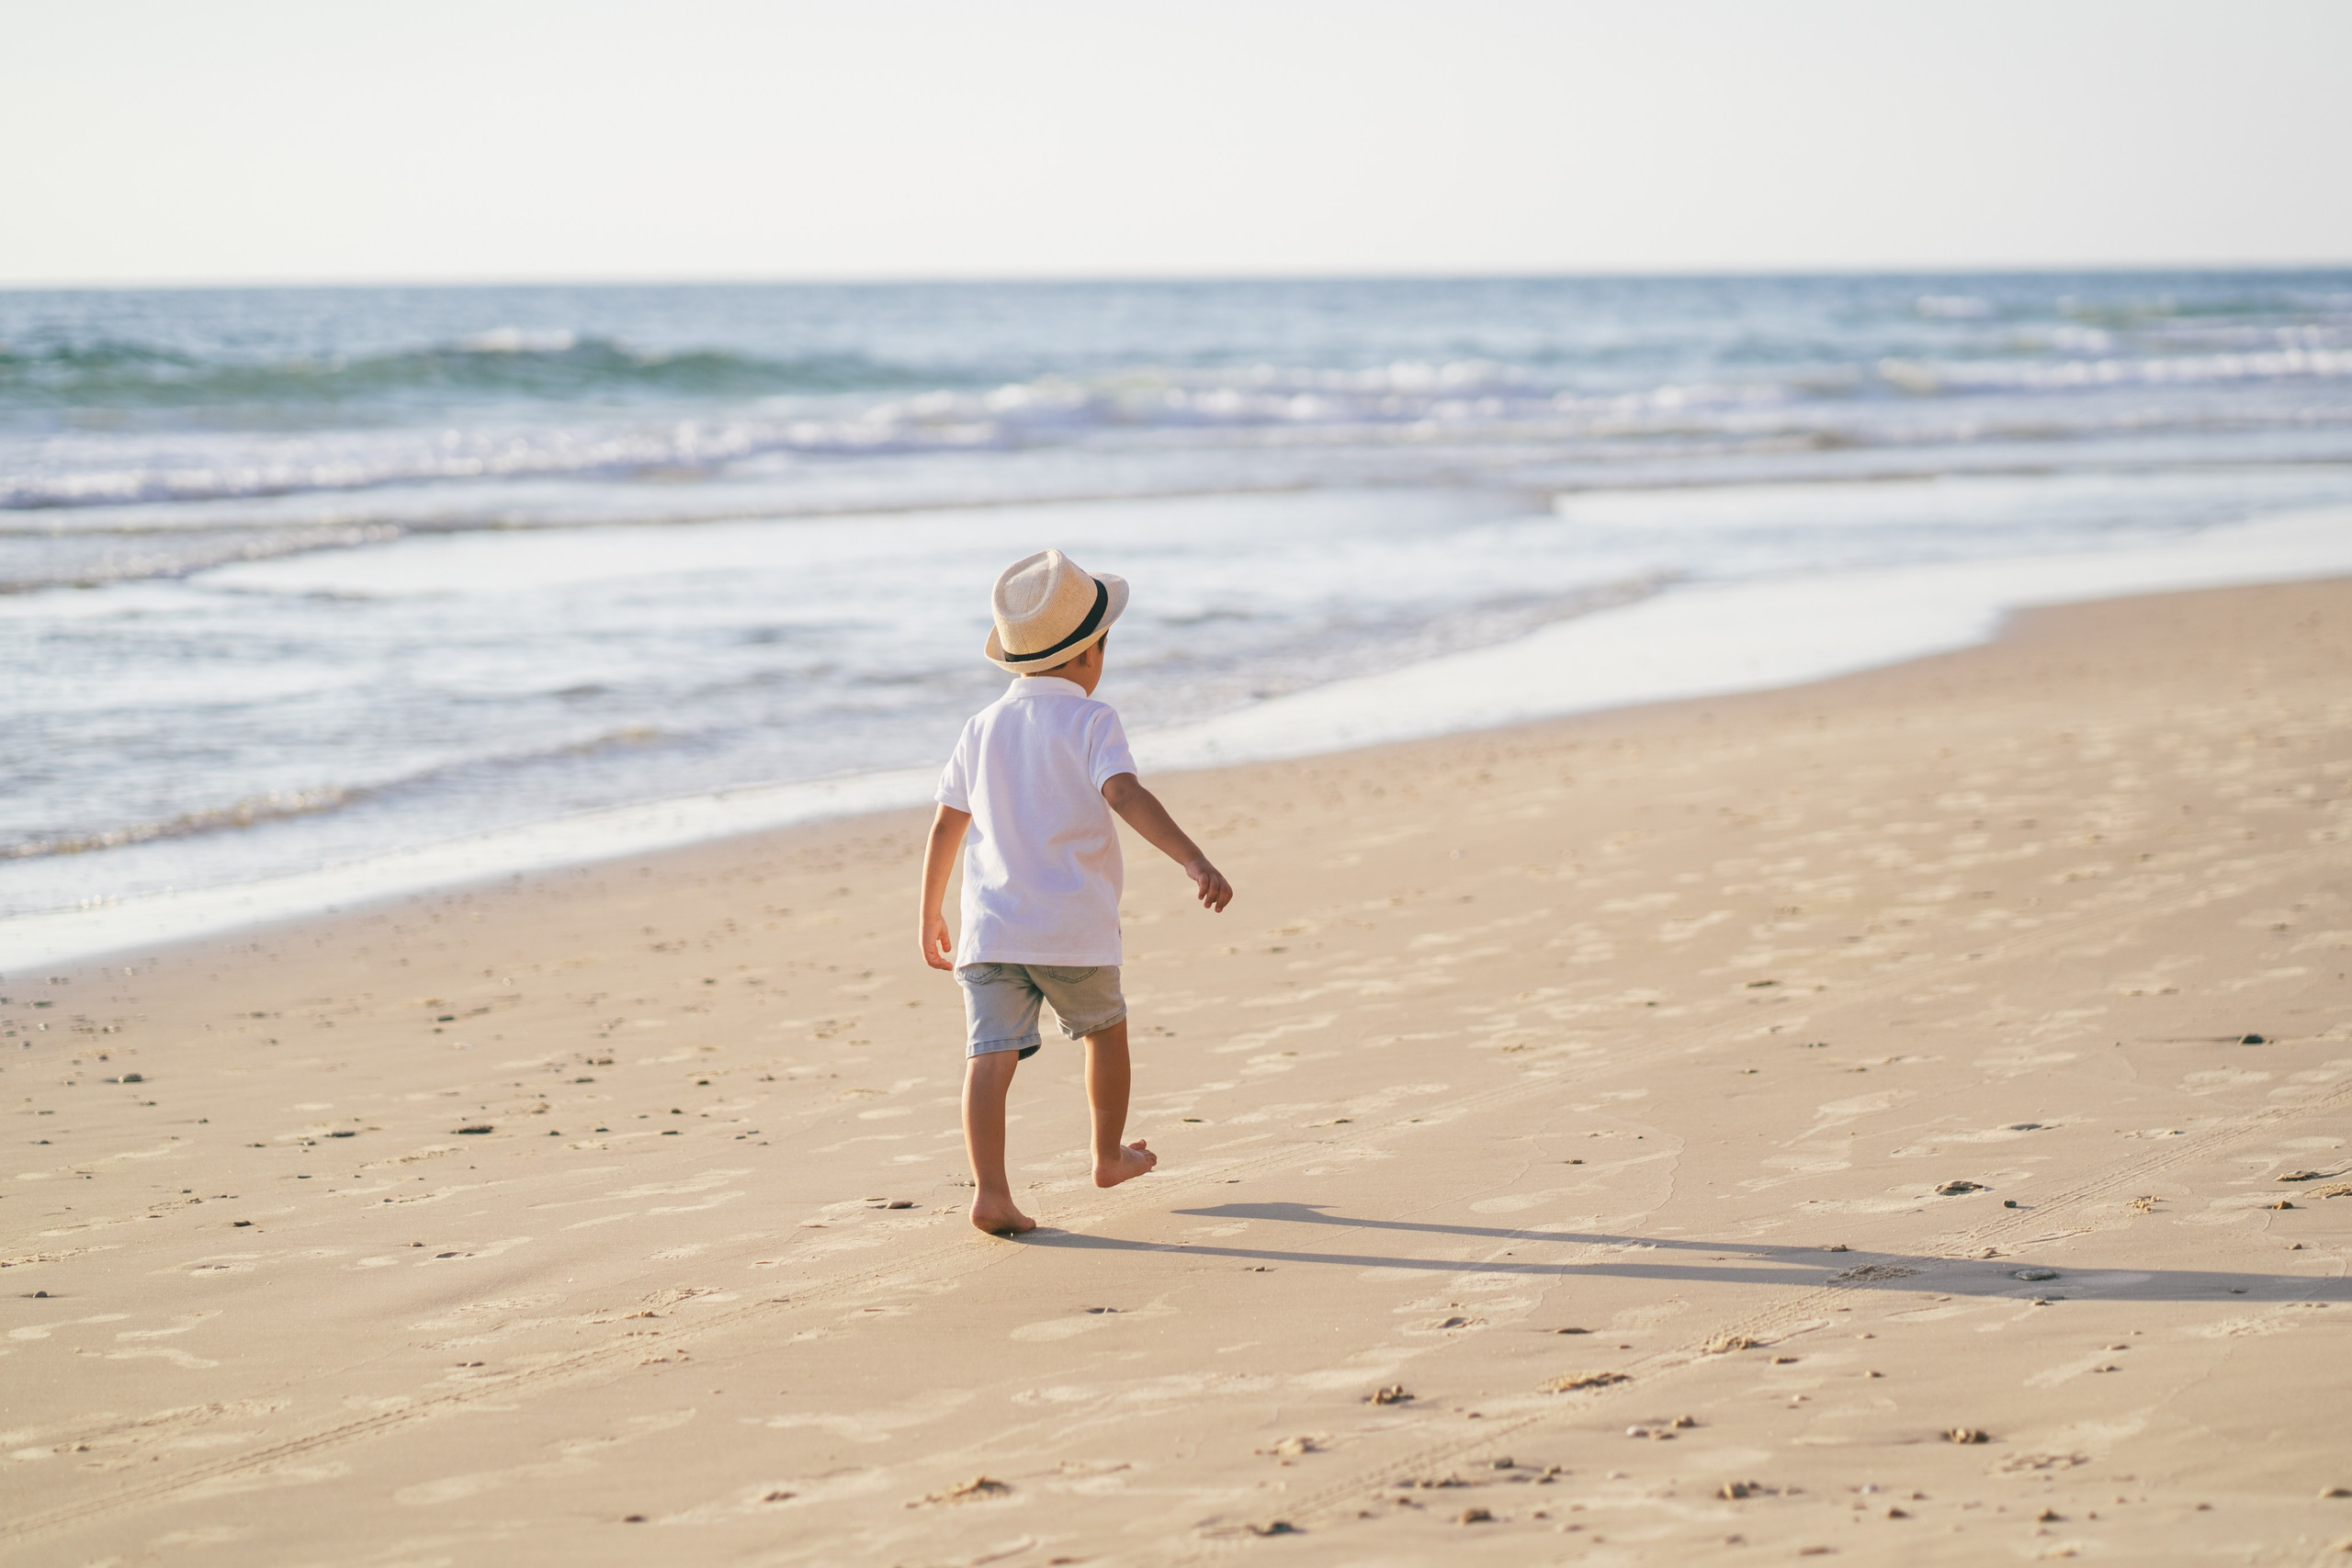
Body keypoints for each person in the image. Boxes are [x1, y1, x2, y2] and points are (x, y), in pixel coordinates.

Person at [920, 549, 1234, 1236]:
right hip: (1073, 929)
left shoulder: (980, 726)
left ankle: (992, 1191)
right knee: (1105, 1033)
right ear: (1091, 653)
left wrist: (930, 913)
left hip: (991, 931)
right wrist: (1192, 856)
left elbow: (947, 821)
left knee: (988, 1056)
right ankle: (1106, 1154)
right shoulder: (1093, 721)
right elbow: (1124, 793)